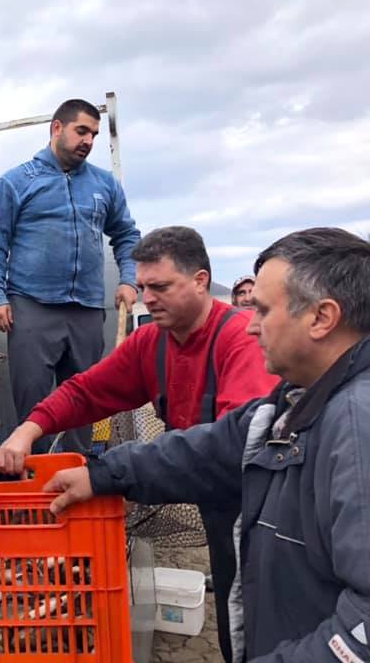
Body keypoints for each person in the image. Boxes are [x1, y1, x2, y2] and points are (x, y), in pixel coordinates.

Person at [45, 227, 370, 662]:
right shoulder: (296, 401)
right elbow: (214, 447)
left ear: (322, 318)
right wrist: (102, 474)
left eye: (264, 310)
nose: (251, 325)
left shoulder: (356, 423)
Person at [0, 226, 279, 663]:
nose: (148, 298)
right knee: (232, 613)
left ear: (201, 281)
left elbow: (231, 448)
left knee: (256, 624)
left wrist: (106, 474)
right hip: (218, 506)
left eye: (161, 286)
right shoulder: (151, 342)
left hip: (262, 511)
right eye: (144, 287)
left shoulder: (240, 339)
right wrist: (30, 428)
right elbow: (86, 392)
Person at [0, 99, 141, 455]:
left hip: (86, 308)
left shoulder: (104, 184)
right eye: (81, 131)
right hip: (31, 305)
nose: (88, 141)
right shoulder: (16, 181)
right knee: (32, 399)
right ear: (57, 128)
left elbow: (127, 234)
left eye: (94, 134)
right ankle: (35, 471)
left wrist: (129, 279)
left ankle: (80, 470)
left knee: (85, 398)